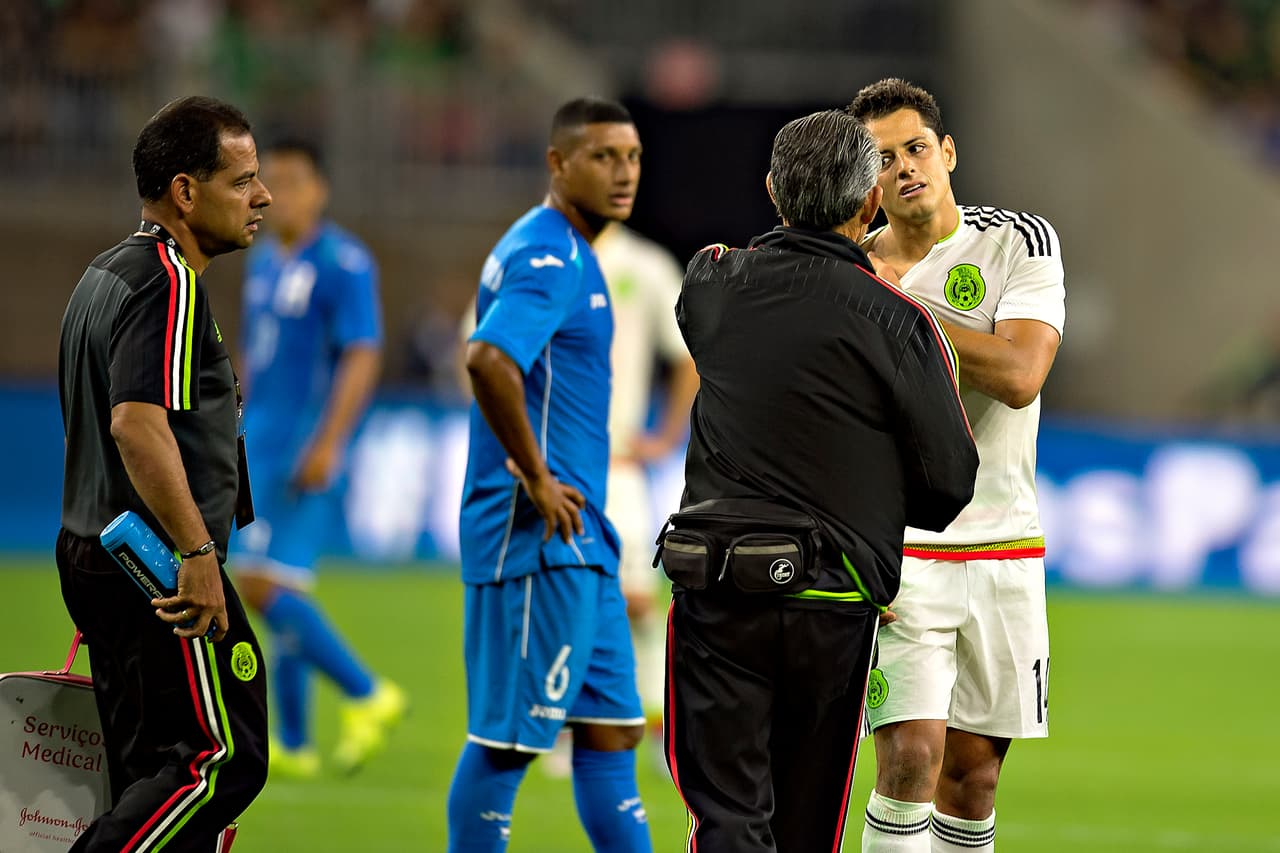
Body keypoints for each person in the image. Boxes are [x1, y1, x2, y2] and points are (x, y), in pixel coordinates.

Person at [663, 109, 978, 853]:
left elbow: (719, 313)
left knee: (728, 815)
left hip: (717, 589)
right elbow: (949, 483)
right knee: (808, 824)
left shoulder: (712, 282)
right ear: (870, 202)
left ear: (772, 189)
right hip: (831, 600)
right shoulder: (898, 320)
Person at [848, 78, 1066, 853]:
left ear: (947, 153)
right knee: (909, 758)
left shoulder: (1017, 242)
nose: (904, 167)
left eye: (915, 149)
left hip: (1004, 545)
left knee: (972, 779)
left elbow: (1018, 376)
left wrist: (900, 309)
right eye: (882, 159)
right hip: (901, 551)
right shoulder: (848, 267)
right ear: (863, 181)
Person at [56, 95, 271, 852]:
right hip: (158, 567)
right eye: (242, 180)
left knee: (145, 772)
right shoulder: (167, 281)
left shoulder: (103, 272)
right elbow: (136, 423)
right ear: (185, 190)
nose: (262, 196)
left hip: (95, 550)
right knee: (221, 757)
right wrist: (196, 553)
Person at [447, 97, 653, 852]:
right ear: (558, 163)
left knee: (610, 733)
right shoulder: (548, 253)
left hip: (582, 535)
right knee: (507, 742)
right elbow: (487, 357)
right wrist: (534, 475)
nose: (624, 172)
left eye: (631, 156)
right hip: (536, 535)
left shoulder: (572, 251)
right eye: (603, 156)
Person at [231, 137, 406, 778]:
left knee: (261, 584)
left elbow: (362, 352)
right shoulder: (266, 259)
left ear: (321, 189)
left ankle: (368, 692)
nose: (276, 193)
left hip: (307, 445)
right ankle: (297, 743)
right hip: (264, 441)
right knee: (283, 584)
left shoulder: (344, 261)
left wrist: (330, 442)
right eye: (264, 180)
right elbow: (257, 352)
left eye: (292, 180)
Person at [592, 222, 699, 753]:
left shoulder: (644, 263)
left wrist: (665, 435)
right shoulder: (532, 253)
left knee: (636, 601)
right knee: (559, 601)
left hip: (616, 467)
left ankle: (661, 728)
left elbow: (688, 351)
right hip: (547, 470)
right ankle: (570, 727)